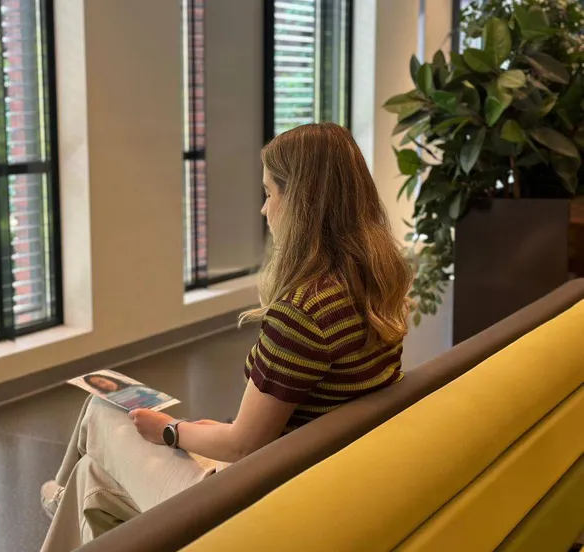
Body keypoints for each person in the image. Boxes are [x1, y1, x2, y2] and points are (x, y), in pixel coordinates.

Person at [39, 123, 413, 551]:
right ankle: (63, 493)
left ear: (301, 203)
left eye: (270, 193)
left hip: (255, 501)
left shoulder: (304, 312)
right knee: (92, 480)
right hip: (315, 478)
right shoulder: (377, 280)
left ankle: (57, 492)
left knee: (101, 409)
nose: (264, 209)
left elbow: (242, 445)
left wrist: (171, 430)